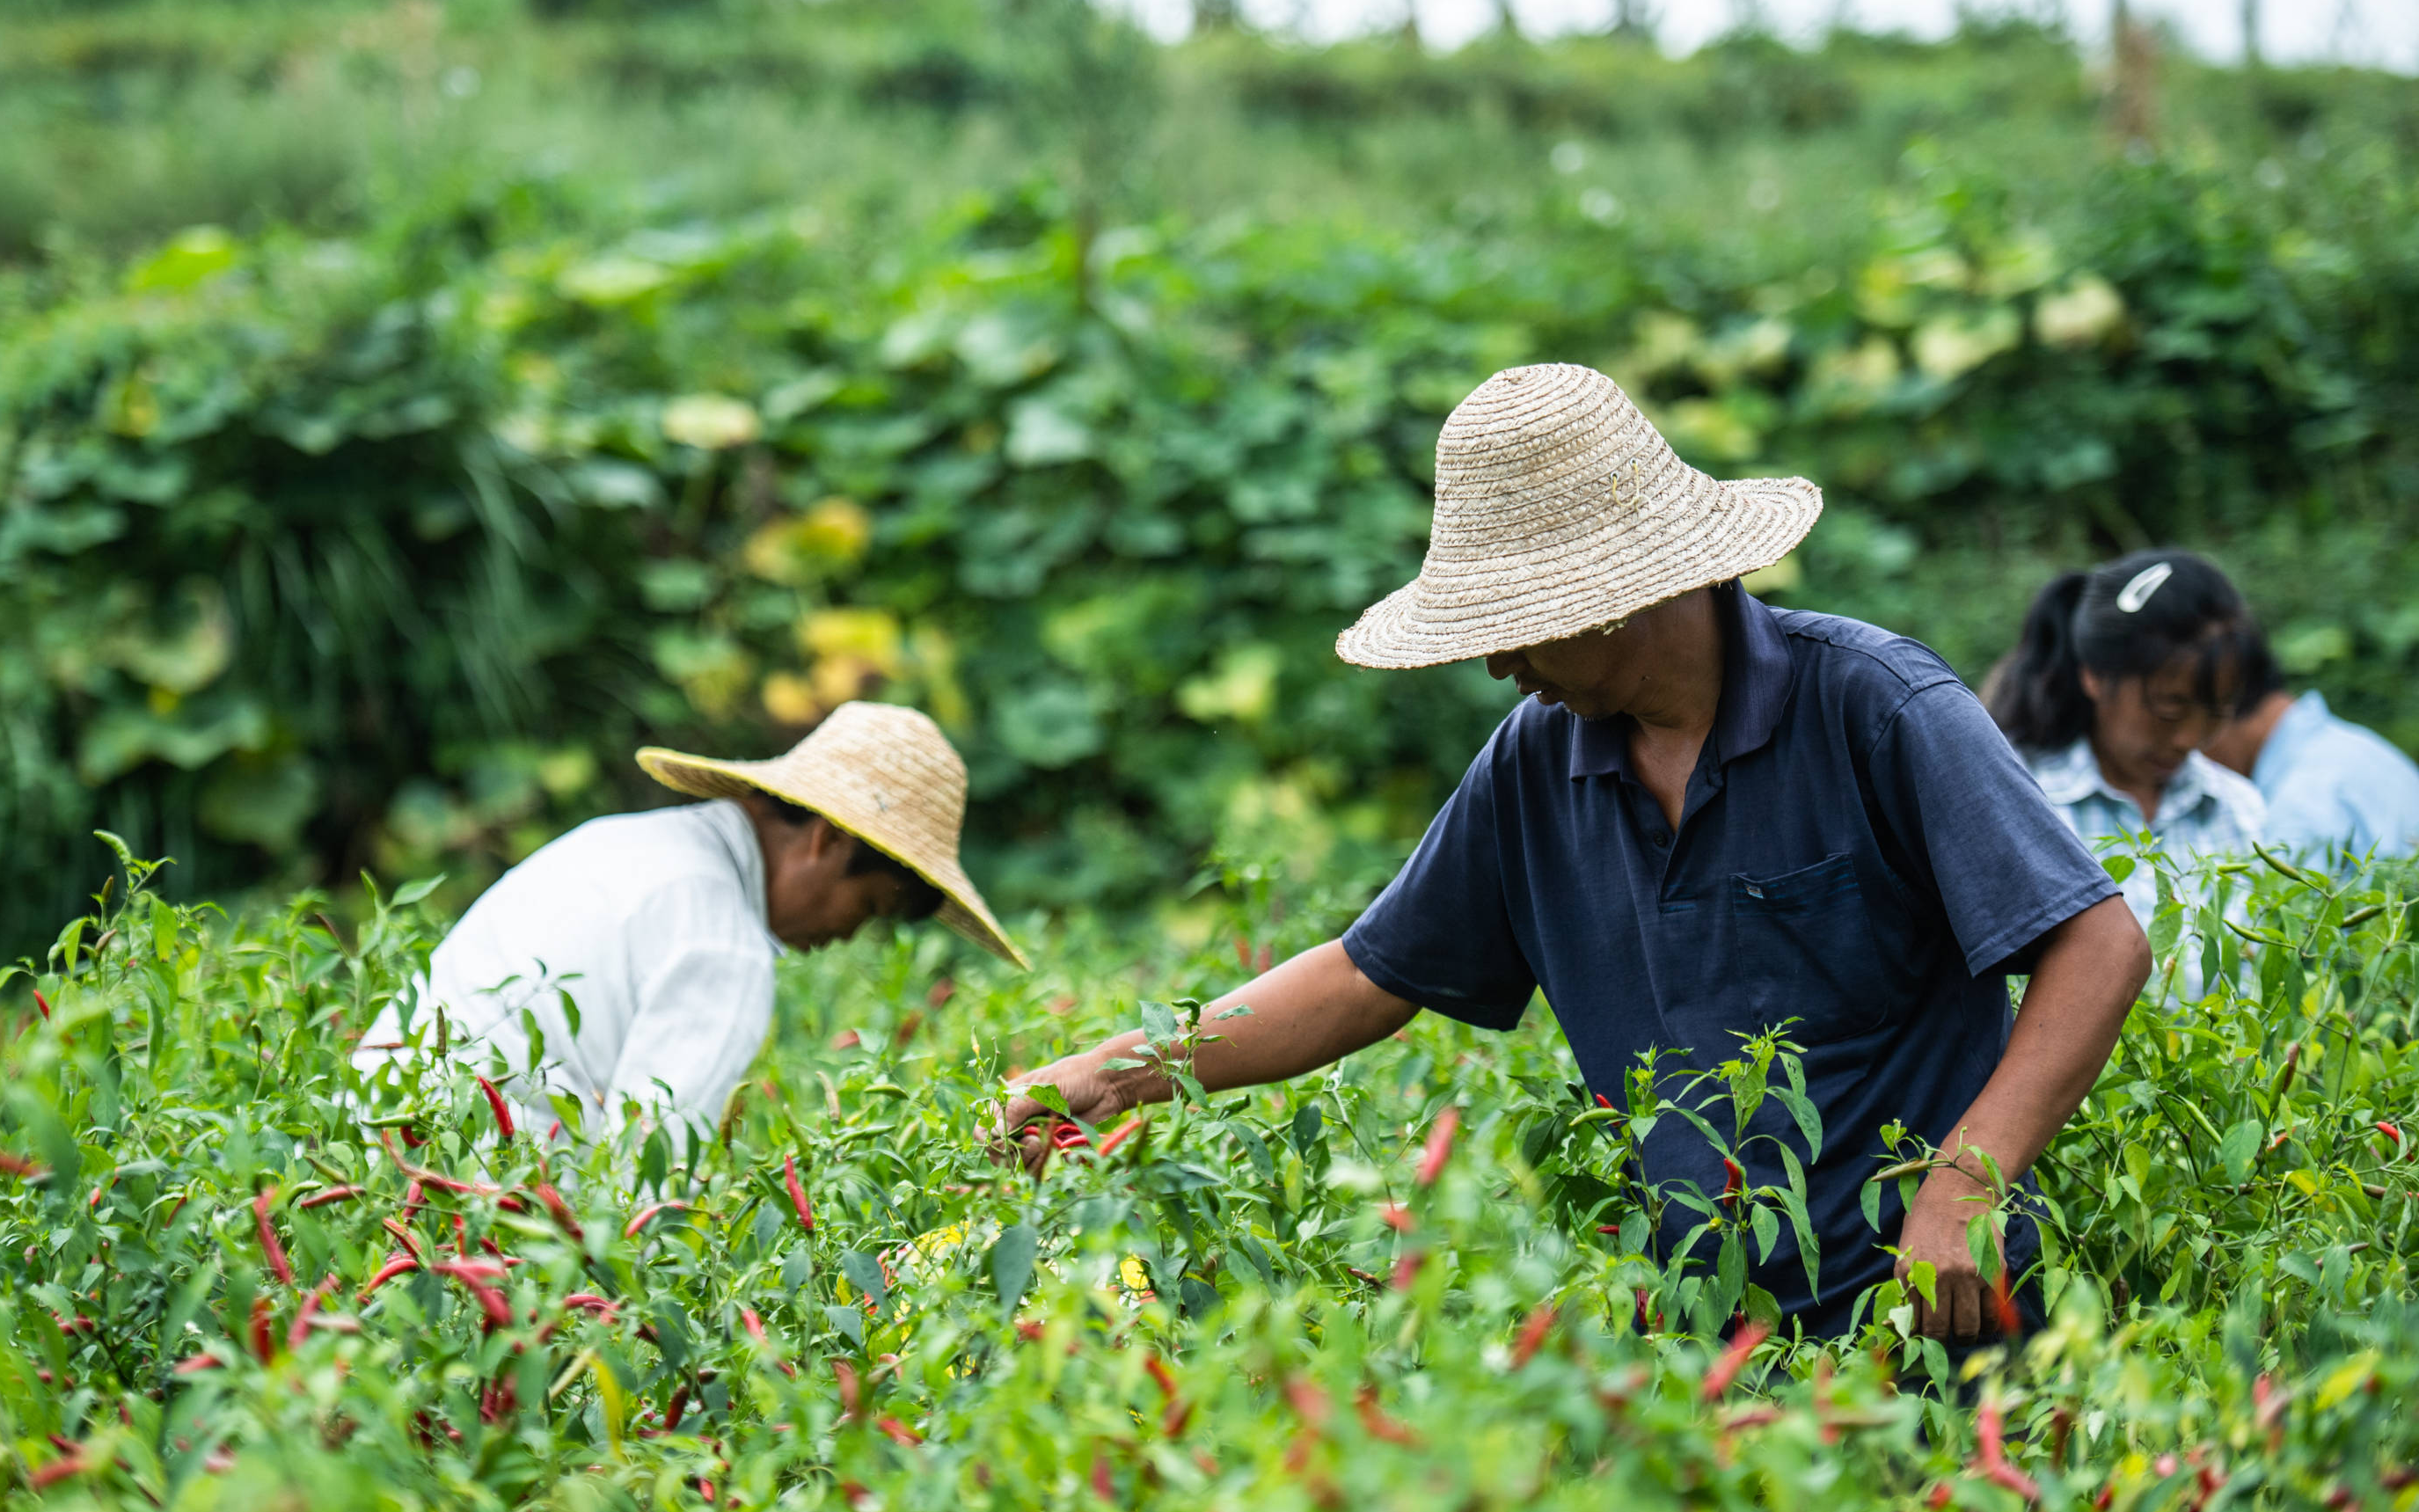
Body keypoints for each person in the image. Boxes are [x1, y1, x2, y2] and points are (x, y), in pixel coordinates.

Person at [1001, 364, 2151, 1343]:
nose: (1498, 666)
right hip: (1704, 1345)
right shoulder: (1537, 762)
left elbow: (2097, 944)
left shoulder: (1874, 709)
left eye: (1515, 630)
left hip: (1936, 1317)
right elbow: (1368, 974)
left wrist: (1969, 1177)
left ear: (1613, 601)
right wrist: (1124, 1069)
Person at [357, 701, 1024, 1143]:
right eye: (871, 909)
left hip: (363, 1144)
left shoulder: (619, 842)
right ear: (826, 842)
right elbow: (643, 1194)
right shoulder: (722, 945)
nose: (851, 937)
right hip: (459, 1213)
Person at [1983, 551, 2267, 927]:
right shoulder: (2017, 801)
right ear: (2095, 675)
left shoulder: (2239, 811)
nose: (2189, 739)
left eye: (2216, 711)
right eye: (2168, 707)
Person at [2203, 624, 2419, 861]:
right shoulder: (2361, 748)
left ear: (2222, 709)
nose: (2187, 750)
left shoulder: (2300, 801)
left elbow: (2293, 896)